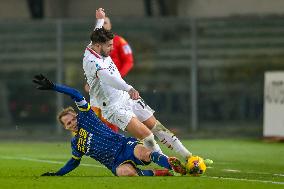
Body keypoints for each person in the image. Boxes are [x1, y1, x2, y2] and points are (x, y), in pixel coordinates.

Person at [82, 8, 193, 162]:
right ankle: (167, 163)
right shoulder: (91, 62)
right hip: (113, 107)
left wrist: (100, 19)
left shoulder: (95, 44)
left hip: (125, 97)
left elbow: (96, 32)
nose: (112, 48)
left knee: (157, 127)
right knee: (147, 135)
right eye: (109, 46)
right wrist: (129, 88)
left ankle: (189, 157)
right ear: (99, 46)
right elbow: (108, 78)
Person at [33, 74, 187, 176]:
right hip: (114, 163)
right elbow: (74, 162)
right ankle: (158, 173)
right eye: (68, 123)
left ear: (76, 116)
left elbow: (75, 93)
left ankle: (175, 166)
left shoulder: (86, 116)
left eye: (72, 119)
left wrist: (54, 87)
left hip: (124, 146)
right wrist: (57, 174)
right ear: (65, 127)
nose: (72, 123)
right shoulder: (76, 144)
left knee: (145, 153)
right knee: (126, 174)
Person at [85, 13, 134, 133]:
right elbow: (93, 66)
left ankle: (115, 139)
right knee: (98, 113)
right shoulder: (94, 46)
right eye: (102, 23)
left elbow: (129, 61)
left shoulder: (119, 41)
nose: (103, 25)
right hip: (100, 83)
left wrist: (117, 78)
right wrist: (89, 82)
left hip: (115, 83)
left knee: (114, 114)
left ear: (111, 25)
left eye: (105, 23)